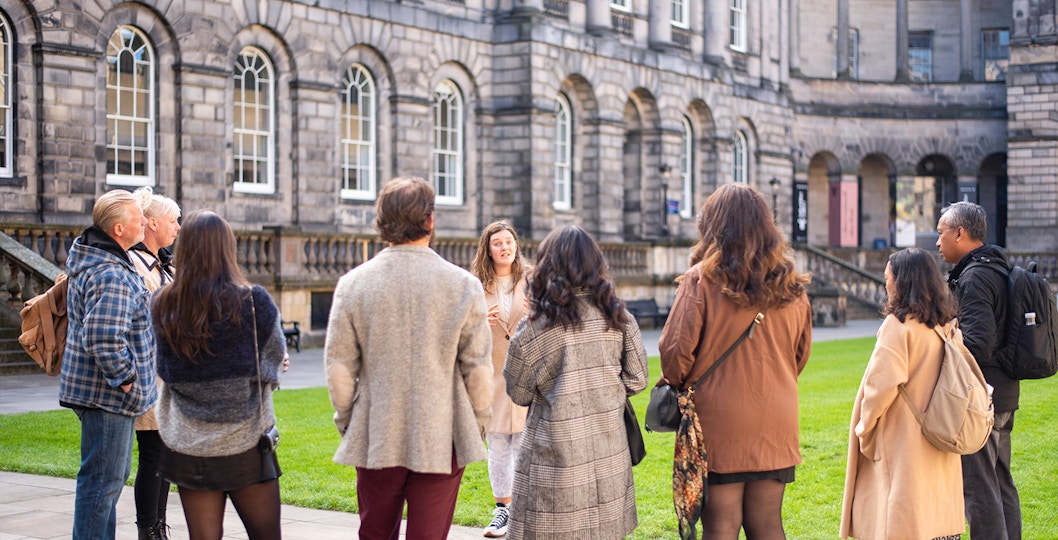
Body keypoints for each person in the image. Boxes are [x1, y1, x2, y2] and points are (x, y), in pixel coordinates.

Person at [325, 176, 493, 540]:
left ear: (381, 220)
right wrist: (479, 421)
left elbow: (339, 368)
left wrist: (347, 420)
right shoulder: (463, 285)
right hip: (443, 430)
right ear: (430, 219)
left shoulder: (354, 283)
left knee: (375, 532)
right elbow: (478, 369)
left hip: (377, 426)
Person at [658, 183, 812, 540]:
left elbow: (675, 356)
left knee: (720, 526)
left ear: (712, 225)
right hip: (775, 414)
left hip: (719, 418)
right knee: (767, 524)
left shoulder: (701, 279)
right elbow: (800, 355)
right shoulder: (792, 285)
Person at [503, 225, 649, 540]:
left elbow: (518, 391)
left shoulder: (533, 328)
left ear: (546, 266)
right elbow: (638, 379)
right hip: (608, 446)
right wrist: (605, 391)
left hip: (552, 451)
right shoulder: (618, 316)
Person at [152, 211, 286, 540]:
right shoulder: (254, 302)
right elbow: (272, 366)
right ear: (228, 248)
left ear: (184, 249)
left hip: (189, 444)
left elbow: (165, 369)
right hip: (246, 442)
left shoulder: (163, 303)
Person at [839, 248, 965, 540]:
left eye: (888, 277)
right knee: (936, 518)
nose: (886, 283)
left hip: (904, 440)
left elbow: (879, 388)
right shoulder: (946, 325)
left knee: (903, 518)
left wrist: (864, 429)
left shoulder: (898, 327)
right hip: (941, 431)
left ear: (903, 281)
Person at [59, 189, 156, 540]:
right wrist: (126, 378)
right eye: (138, 218)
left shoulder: (103, 260)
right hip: (108, 396)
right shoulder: (111, 273)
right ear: (118, 229)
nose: (144, 221)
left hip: (102, 394)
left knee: (106, 484)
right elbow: (103, 337)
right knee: (102, 485)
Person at [936, 200, 1021, 539]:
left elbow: (979, 342)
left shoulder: (974, 277)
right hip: (1004, 392)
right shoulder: (998, 268)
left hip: (980, 398)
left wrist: (945, 343)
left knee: (980, 489)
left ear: (960, 233)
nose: (938, 242)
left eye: (942, 233)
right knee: (1000, 482)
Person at [470, 220, 530, 538]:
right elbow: (461, 330)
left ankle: (522, 510)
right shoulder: (475, 285)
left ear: (516, 245)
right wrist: (480, 320)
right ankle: (502, 510)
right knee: (497, 444)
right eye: (498, 243)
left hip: (525, 376)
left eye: (509, 241)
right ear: (488, 249)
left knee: (523, 442)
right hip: (491, 376)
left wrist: (538, 315)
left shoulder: (532, 281)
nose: (504, 247)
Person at [130, 186, 181, 540]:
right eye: (173, 220)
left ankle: (158, 528)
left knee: (163, 456)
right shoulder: (134, 264)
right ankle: (149, 531)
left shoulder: (166, 265)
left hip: (168, 377)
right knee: (152, 455)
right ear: (151, 223)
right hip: (148, 374)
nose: (178, 227)